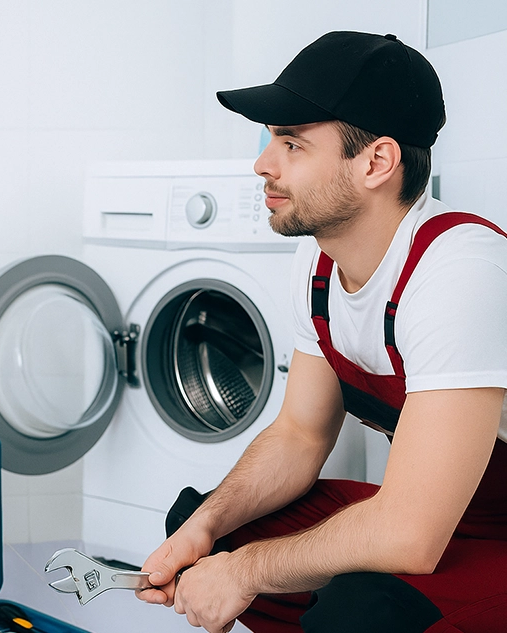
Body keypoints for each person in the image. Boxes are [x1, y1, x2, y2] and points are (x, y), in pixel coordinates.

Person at [138, 31, 507, 633]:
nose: (263, 164)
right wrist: (204, 529)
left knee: (362, 611)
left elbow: (410, 534)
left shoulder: (460, 271)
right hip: (447, 516)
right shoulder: (318, 265)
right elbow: (300, 436)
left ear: (376, 162)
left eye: (292, 144)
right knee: (207, 533)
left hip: (480, 534)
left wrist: (246, 573)